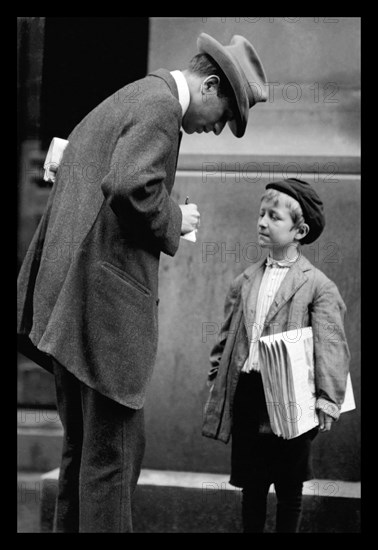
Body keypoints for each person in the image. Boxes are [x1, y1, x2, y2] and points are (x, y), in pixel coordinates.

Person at [17, 33, 268, 533]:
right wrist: (178, 218)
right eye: (224, 116)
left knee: (83, 456)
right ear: (210, 84)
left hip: (65, 313)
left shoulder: (128, 96)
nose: (215, 130)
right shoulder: (158, 108)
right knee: (115, 461)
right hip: (101, 322)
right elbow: (134, 187)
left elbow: (79, 174)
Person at [202, 178, 350, 533]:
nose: (263, 222)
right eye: (260, 214)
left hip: (291, 398)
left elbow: (331, 344)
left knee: (289, 486)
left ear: (300, 230)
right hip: (250, 394)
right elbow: (226, 336)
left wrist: (328, 398)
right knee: (252, 486)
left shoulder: (316, 285)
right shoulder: (245, 280)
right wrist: (218, 377)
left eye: (274, 217)